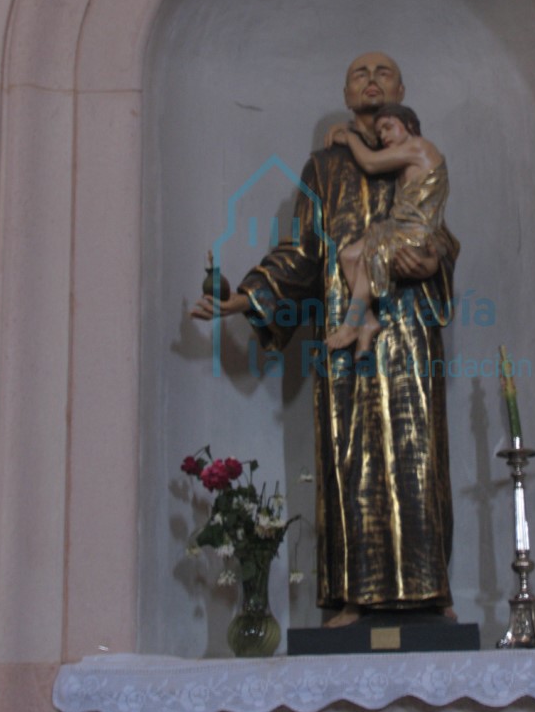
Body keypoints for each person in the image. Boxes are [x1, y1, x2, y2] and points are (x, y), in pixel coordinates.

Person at [192, 52, 458, 627]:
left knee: (418, 456)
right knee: (352, 458)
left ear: (402, 88)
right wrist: (246, 297)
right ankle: (354, 597)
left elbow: (440, 233)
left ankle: (431, 592)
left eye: (383, 72)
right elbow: (305, 251)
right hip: (344, 331)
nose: (371, 80)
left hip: (408, 327)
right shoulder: (325, 166)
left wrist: (434, 256)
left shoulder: (421, 151)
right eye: (359, 73)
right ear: (344, 90)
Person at [324, 104, 449, 358]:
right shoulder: (406, 158)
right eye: (380, 132)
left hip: (414, 233)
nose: (384, 136)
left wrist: (349, 136)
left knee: (372, 256)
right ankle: (368, 321)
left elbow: (370, 163)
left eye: (389, 127)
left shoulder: (420, 147)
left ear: (409, 125)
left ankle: (351, 325)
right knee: (349, 256)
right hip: (396, 228)